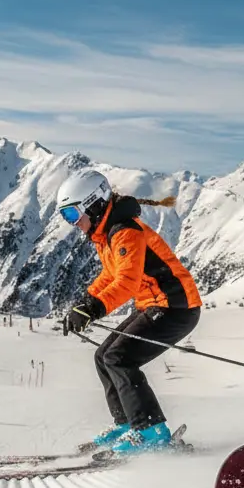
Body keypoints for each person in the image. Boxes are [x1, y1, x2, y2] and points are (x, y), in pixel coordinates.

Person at [56, 169, 201, 454]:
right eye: (65, 217)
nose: (72, 223)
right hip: (154, 304)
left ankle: (151, 431)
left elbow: (127, 282)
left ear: (94, 204)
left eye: (73, 215)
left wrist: (93, 309)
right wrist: (84, 303)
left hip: (176, 307)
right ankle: (127, 423)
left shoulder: (125, 233)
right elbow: (110, 275)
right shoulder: (107, 233)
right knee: (103, 357)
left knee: (119, 358)